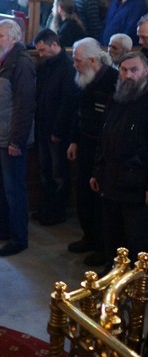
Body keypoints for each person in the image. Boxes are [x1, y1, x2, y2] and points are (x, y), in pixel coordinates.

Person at [90, 52, 148, 274]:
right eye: (124, 70)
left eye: (134, 70)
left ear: (145, 71)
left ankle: (134, 283)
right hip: (110, 180)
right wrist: (97, 171)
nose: (128, 75)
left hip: (135, 185)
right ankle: (112, 275)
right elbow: (103, 137)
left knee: (136, 239)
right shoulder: (115, 97)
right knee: (112, 234)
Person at [0, 19, 36, 256]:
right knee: (0, 188)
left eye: (0, 35)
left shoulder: (21, 63)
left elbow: (25, 104)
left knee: (14, 190)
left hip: (11, 139)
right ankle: (2, 229)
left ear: (14, 39)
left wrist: (17, 140)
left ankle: (19, 238)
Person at [67, 38, 118, 265]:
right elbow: (79, 114)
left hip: (103, 149)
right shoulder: (85, 78)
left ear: (93, 60)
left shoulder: (112, 80)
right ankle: (89, 237)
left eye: (78, 61)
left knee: (99, 200)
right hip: (85, 145)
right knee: (83, 196)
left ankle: (102, 247)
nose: (75, 65)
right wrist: (74, 141)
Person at [33, 29, 78, 225]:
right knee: (45, 171)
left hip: (56, 131)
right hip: (43, 126)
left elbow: (68, 102)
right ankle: (46, 207)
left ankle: (57, 211)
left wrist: (58, 131)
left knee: (58, 173)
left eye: (43, 50)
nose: (40, 54)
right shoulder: (46, 65)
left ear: (54, 45)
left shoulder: (67, 67)